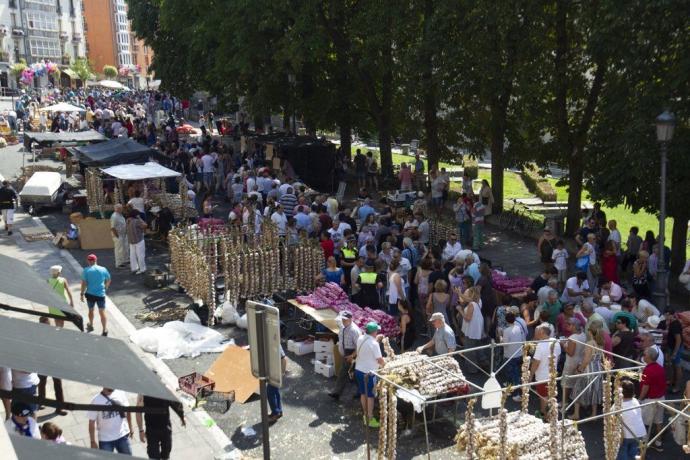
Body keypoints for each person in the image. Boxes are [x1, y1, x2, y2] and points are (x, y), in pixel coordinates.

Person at [135, 393, 185, 460]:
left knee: (166, 453)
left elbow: (175, 403)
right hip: (151, 430)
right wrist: (141, 430)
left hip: (165, 428)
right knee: (153, 455)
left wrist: (181, 416)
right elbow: (138, 411)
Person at [354, 322, 385, 428]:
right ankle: (370, 419)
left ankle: (365, 415)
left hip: (358, 370)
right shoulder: (374, 344)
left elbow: (368, 345)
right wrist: (386, 365)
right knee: (370, 396)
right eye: (377, 331)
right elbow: (380, 360)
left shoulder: (360, 338)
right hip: (369, 374)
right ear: (374, 332)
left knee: (363, 393)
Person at [87, 388, 133, 454]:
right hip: (105, 439)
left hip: (121, 435)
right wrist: (92, 441)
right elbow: (91, 422)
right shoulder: (96, 400)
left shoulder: (120, 393)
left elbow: (128, 410)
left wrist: (130, 427)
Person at [531, 324, 561, 419]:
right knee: (551, 395)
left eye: (538, 332)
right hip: (553, 374)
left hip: (542, 376)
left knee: (543, 397)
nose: (536, 334)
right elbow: (558, 357)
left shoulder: (540, 345)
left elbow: (536, 363)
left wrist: (530, 375)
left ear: (542, 332)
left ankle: (545, 416)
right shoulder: (556, 342)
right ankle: (551, 414)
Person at [329, 312, 361, 400]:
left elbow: (359, 346)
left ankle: (337, 392)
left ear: (351, 319)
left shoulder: (354, 331)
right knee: (353, 374)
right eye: (342, 319)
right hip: (346, 353)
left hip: (352, 354)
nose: (343, 321)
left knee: (345, 372)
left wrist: (352, 356)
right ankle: (360, 391)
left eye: (345, 320)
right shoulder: (343, 327)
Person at [639, 347, 666, 452]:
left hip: (650, 400)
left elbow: (646, 387)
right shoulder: (660, 368)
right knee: (659, 422)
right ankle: (658, 443)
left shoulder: (648, 370)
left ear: (649, 357)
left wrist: (640, 399)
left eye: (644, 355)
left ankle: (644, 444)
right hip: (661, 399)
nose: (643, 356)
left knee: (645, 423)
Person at [80, 254, 111, 335]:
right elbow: (108, 279)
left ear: (88, 261)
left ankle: (90, 324)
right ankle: (104, 329)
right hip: (101, 294)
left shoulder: (86, 270)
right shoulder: (103, 269)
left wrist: (81, 293)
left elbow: (84, 283)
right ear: (96, 260)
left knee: (91, 310)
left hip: (90, 294)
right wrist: (106, 287)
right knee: (102, 312)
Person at [561, 319, 586, 412]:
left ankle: (565, 403)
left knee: (566, 384)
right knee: (575, 383)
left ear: (574, 326)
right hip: (579, 362)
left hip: (571, 363)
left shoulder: (573, 338)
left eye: (569, 324)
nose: (567, 326)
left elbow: (570, 352)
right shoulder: (583, 335)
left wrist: (563, 345)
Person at [617, 380, 646, 460]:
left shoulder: (618, 406)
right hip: (638, 433)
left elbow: (613, 419)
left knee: (622, 453)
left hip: (625, 435)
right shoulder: (635, 401)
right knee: (633, 453)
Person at [501, 311, 527, 400]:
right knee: (515, 373)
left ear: (506, 320)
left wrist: (500, 338)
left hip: (509, 355)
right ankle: (510, 389)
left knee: (512, 374)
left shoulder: (506, 331)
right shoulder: (518, 328)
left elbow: (505, 344)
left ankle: (516, 394)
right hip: (518, 353)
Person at [458, 286, 484, 373]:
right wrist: (459, 294)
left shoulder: (471, 304)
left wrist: (460, 310)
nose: (466, 295)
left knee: (469, 350)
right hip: (476, 330)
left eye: (468, 293)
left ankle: (472, 369)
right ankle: (481, 365)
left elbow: (467, 318)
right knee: (476, 348)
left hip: (471, 331)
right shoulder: (478, 302)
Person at [267, 344, 287, 423]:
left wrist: (282, 373)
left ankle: (275, 413)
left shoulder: (274, 343)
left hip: (276, 373)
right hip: (274, 371)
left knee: (270, 392)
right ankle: (278, 411)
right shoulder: (272, 341)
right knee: (275, 392)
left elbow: (284, 359)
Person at [126, 210, 148, 275]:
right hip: (139, 240)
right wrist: (140, 218)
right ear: (136, 215)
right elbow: (145, 225)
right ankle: (142, 269)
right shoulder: (137, 221)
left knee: (132, 255)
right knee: (140, 255)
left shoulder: (127, 220)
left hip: (131, 240)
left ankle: (134, 268)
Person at [110, 204, 129, 268]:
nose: (122, 209)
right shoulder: (114, 216)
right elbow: (112, 227)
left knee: (123, 248)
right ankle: (119, 263)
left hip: (122, 234)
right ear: (117, 209)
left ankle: (123, 261)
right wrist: (117, 236)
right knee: (119, 249)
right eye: (121, 208)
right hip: (118, 235)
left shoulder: (120, 215)